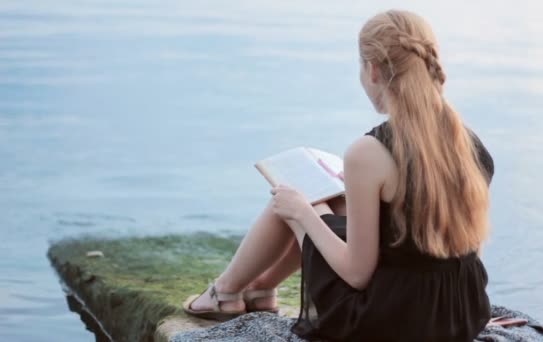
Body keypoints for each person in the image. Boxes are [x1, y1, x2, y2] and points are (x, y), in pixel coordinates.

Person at [182, 9, 495, 342]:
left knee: (294, 198)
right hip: (462, 312)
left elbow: (357, 275)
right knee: (331, 200)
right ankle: (260, 290)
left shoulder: (368, 152)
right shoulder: (467, 142)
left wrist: (302, 212)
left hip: (394, 320)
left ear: (372, 70)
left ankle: (224, 292)